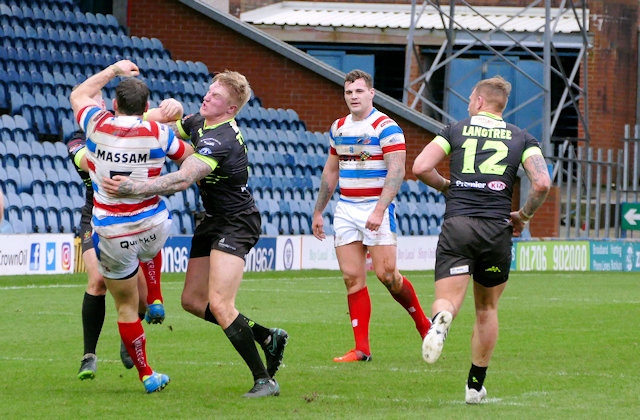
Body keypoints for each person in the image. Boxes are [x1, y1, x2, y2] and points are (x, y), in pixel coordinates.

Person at [101, 70, 288, 398]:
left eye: (216, 96)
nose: (207, 97)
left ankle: (264, 380)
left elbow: (183, 179)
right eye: (209, 91)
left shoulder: (222, 140)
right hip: (213, 219)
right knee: (191, 301)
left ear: (230, 109)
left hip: (238, 222)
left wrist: (137, 187)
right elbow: (157, 128)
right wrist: (153, 112)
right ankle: (266, 337)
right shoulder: (200, 121)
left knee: (219, 303)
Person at [412, 75, 551, 404]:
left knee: (448, 300)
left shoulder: (456, 129)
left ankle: (441, 321)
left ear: (477, 102)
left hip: (459, 224)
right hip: (497, 229)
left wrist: (448, 186)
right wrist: (524, 216)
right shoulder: (522, 138)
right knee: (487, 309)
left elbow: (420, 167)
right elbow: (542, 183)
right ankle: (475, 386)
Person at [70, 59, 192, 393]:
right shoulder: (157, 131)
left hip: (113, 230)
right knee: (151, 249)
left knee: (124, 306)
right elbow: (189, 154)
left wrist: (112, 71)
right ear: (147, 106)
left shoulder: (96, 125)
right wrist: (175, 117)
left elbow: (79, 95)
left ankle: (147, 375)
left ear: (111, 105)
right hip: (153, 222)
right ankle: (155, 296)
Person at [311, 69, 431, 363]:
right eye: (349, 92)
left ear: (371, 93)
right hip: (346, 209)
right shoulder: (338, 127)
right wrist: (318, 211)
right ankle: (361, 349)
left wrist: (379, 209)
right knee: (352, 278)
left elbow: (397, 170)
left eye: (359, 91)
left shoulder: (386, 127)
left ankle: (424, 325)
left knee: (387, 275)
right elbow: (331, 170)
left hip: (375, 206)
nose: (353, 97)